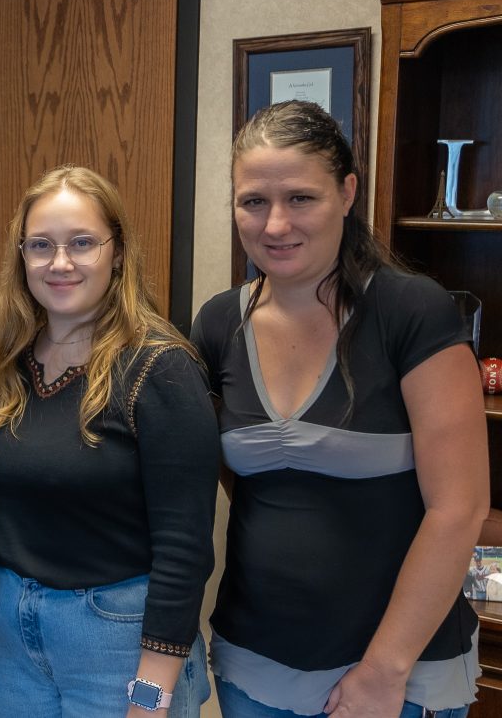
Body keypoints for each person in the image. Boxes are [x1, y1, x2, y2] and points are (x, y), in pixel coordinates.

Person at [191, 100, 489, 717]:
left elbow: (459, 508)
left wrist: (385, 670)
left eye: (301, 198)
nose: (275, 225)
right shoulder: (219, 322)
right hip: (253, 662)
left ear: (347, 192)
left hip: (395, 677)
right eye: (253, 201)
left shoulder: (414, 313)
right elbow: (232, 470)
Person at [0, 165, 219, 717]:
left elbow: (185, 549)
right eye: (41, 245)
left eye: (81, 243)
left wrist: (153, 693)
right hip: (11, 633)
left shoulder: (160, 367)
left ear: (117, 251)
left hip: (117, 640)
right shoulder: (14, 358)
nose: (59, 263)